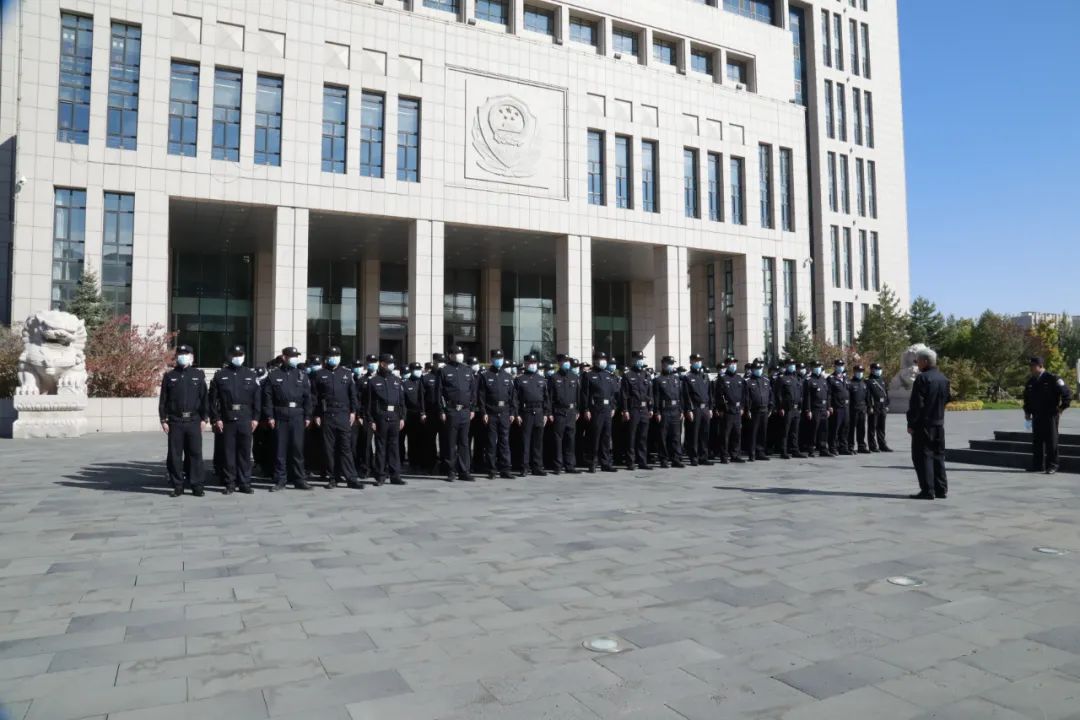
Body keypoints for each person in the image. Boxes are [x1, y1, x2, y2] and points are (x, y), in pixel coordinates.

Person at [208, 344, 260, 494]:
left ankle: (245, 483)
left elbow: (257, 399)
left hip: (246, 418)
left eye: (240, 355)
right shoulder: (220, 375)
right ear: (230, 356)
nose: (238, 357)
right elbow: (213, 400)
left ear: (244, 356)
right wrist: (216, 419)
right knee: (228, 453)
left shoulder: (251, 375)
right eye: (235, 355)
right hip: (227, 418)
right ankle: (230, 483)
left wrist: (256, 418)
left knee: (244, 452)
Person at [159, 344, 209, 497]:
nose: (183, 356)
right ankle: (177, 485)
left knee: (195, 454)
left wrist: (204, 418)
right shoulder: (170, 376)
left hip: (193, 420)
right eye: (180, 353)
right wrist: (163, 419)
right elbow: (163, 400)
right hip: (176, 421)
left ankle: (196, 485)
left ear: (191, 357)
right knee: (174, 455)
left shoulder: (198, 375)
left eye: (186, 354)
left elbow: (204, 399)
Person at [262, 346, 313, 491]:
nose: (295, 358)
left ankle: (299, 479)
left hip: (297, 415)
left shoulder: (302, 375)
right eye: (292, 356)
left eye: (296, 356)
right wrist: (270, 416)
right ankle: (280, 480)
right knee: (280, 449)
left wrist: (308, 415)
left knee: (297, 449)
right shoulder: (273, 375)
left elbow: (308, 398)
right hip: (280, 415)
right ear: (284, 357)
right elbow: (268, 398)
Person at [313, 346, 360, 489]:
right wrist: (316, 414)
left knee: (346, 447)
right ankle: (333, 477)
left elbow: (353, 395)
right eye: (332, 355)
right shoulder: (320, 374)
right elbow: (314, 396)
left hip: (343, 414)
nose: (335, 357)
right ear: (326, 358)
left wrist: (353, 412)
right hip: (327, 415)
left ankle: (351, 478)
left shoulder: (346, 373)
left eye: (337, 355)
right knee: (329, 448)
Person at [907, 347, 950, 499]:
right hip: (939, 424)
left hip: (923, 425)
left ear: (925, 361)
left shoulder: (922, 378)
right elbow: (947, 399)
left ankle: (928, 490)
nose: (917, 364)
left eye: (918, 361)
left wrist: (911, 423)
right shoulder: (943, 378)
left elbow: (917, 405)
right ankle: (941, 489)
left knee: (923, 456)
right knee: (938, 456)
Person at [1023, 356, 1072, 474]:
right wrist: (1027, 412)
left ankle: (1053, 465)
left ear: (1040, 366)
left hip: (1050, 415)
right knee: (1037, 441)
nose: (1031, 368)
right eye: (1030, 366)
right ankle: (1037, 465)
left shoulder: (1052, 378)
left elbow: (1067, 393)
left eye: (1033, 366)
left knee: (1051, 441)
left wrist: (1062, 407)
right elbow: (1027, 399)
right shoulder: (1031, 382)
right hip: (1037, 415)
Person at [436, 345, 476, 482]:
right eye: (457, 353)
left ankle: (464, 471)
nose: (460, 355)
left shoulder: (467, 370)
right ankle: (451, 470)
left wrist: (472, 408)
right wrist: (442, 410)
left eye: (461, 353)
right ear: (450, 355)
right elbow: (439, 392)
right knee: (451, 442)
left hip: (465, 411)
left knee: (464, 442)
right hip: (451, 411)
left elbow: (473, 391)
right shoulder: (444, 371)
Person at [367, 353, 407, 485]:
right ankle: (380, 475)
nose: (391, 365)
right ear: (382, 364)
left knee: (394, 447)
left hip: (395, 417)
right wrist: (371, 420)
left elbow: (401, 402)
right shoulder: (373, 381)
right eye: (389, 362)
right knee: (381, 447)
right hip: (381, 417)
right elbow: (368, 403)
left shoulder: (396, 380)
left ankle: (395, 475)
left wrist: (402, 417)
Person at [478, 349, 516, 479]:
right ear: (491, 360)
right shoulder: (485, 375)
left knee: (504, 442)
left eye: (500, 357)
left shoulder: (507, 376)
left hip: (505, 412)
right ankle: (492, 469)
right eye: (496, 357)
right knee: (491, 442)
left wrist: (512, 412)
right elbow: (481, 396)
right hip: (491, 412)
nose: (499, 359)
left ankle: (505, 469)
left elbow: (512, 396)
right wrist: (483, 412)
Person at [581, 351, 620, 473]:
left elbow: (613, 394)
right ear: (595, 361)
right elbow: (585, 394)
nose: (602, 361)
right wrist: (586, 409)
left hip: (608, 409)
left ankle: (605, 463)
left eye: (604, 359)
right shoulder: (589, 375)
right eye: (600, 359)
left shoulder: (609, 375)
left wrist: (613, 407)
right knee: (595, 436)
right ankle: (592, 462)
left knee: (606, 436)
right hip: (596, 409)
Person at [514, 354, 549, 477]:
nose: (533, 364)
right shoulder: (519, 379)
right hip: (526, 412)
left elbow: (546, 398)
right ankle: (524, 467)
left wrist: (546, 413)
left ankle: (537, 467)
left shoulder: (541, 379)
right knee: (525, 441)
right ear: (525, 364)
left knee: (538, 442)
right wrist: (517, 414)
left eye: (534, 362)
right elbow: (515, 399)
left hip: (539, 412)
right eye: (530, 362)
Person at [548, 353, 581, 474]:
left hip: (571, 412)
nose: (567, 363)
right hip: (559, 412)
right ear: (559, 363)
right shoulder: (554, 377)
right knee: (558, 439)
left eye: (568, 361)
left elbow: (578, 396)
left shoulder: (574, 376)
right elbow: (550, 397)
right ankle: (557, 465)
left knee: (570, 439)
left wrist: (577, 410)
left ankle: (570, 465)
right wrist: (550, 412)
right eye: (564, 361)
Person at [621, 350, 653, 470]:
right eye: (638, 359)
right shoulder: (628, 375)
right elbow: (624, 394)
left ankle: (642, 461)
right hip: (633, 409)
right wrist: (625, 410)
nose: (640, 361)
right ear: (633, 360)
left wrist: (651, 408)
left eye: (642, 359)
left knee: (643, 437)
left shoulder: (646, 374)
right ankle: (630, 462)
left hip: (645, 409)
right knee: (632, 436)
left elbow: (650, 393)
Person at [653, 356, 685, 468]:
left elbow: (680, 396)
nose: (671, 365)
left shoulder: (676, 379)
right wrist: (657, 412)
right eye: (669, 363)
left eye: (672, 363)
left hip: (676, 410)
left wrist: (681, 409)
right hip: (664, 410)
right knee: (663, 436)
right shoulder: (658, 380)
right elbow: (656, 397)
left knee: (676, 436)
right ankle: (664, 459)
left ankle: (676, 458)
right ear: (663, 364)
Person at [682, 353, 713, 466]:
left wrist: (710, 408)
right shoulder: (688, 377)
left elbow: (709, 393)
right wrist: (688, 410)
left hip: (705, 409)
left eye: (700, 360)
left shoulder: (704, 376)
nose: (698, 362)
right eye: (696, 360)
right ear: (691, 362)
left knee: (704, 434)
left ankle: (703, 456)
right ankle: (694, 457)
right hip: (695, 409)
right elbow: (686, 395)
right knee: (694, 434)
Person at [714, 356, 747, 463]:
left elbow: (743, 394)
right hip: (727, 411)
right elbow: (718, 395)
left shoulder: (739, 378)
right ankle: (724, 456)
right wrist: (721, 409)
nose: (733, 365)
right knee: (725, 435)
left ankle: (735, 454)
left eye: (734, 363)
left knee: (737, 434)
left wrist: (742, 407)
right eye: (731, 363)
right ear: (727, 365)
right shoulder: (722, 378)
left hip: (737, 410)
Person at [774, 358, 805, 459]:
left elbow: (800, 394)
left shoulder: (797, 378)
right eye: (790, 364)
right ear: (786, 365)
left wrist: (800, 406)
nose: (792, 366)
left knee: (795, 431)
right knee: (785, 431)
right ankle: (784, 451)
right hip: (787, 409)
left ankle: (795, 450)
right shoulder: (782, 378)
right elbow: (778, 394)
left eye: (793, 364)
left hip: (796, 409)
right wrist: (780, 407)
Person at [802, 360, 831, 457]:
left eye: (819, 366)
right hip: (815, 408)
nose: (818, 368)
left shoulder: (823, 380)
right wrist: (808, 410)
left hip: (823, 408)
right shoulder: (809, 380)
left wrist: (827, 408)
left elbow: (827, 395)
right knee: (813, 429)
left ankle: (823, 448)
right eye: (815, 366)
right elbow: (807, 397)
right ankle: (811, 448)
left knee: (824, 429)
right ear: (812, 368)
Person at [745, 360, 773, 461]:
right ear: (752, 370)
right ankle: (752, 453)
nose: (759, 370)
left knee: (763, 432)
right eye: (757, 369)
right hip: (754, 411)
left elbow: (770, 395)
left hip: (764, 410)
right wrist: (747, 409)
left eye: (760, 368)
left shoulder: (766, 380)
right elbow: (747, 397)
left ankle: (760, 452)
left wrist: (770, 407)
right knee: (753, 432)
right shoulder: (748, 381)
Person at [402, 362, 426, 474]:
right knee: (412, 441)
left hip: (424, 415)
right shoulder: (406, 383)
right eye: (416, 369)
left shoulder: (424, 381)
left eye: (419, 369)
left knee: (424, 440)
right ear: (411, 370)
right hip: (411, 416)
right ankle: (413, 463)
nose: (418, 371)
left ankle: (423, 462)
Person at [827, 359, 851, 456]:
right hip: (836, 407)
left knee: (845, 428)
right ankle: (833, 447)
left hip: (846, 407)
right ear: (835, 366)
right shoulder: (831, 379)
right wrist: (829, 406)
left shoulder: (845, 378)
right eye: (838, 365)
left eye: (842, 365)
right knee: (835, 429)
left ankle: (843, 447)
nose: (840, 367)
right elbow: (829, 394)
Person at [866, 362, 892, 452]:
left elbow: (886, 393)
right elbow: (868, 396)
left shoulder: (882, 380)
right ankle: (872, 446)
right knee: (872, 427)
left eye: (879, 369)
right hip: (874, 407)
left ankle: (882, 444)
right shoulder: (869, 381)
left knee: (881, 427)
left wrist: (887, 404)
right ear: (872, 370)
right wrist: (870, 406)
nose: (878, 371)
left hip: (882, 406)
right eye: (876, 369)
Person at [847, 365, 870, 454]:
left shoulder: (864, 383)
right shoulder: (850, 383)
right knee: (852, 429)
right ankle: (850, 446)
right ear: (854, 372)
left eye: (861, 371)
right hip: (853, 409)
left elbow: (867, 397)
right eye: (858, 371)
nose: (860, 373)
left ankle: (861, 446)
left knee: (862, 428)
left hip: (862, 409)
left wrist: (868, 407)